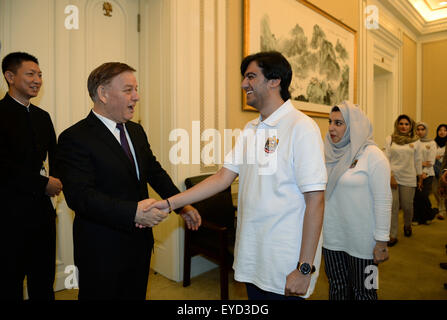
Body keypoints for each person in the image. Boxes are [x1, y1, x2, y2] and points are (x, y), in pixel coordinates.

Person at [146, 51, 327, 300]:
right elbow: (222, 177)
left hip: (285, 266)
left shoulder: (302, 127)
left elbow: (315, 200)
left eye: (251, 76)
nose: (243, 84)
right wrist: (170, 204)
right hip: (253, 259)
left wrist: (304, 268)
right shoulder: (251, 129)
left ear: (275, 81)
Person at [56, 62, 201, 300]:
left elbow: (154, 171)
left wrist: (180, 204)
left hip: (140, 244)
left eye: (136, 89)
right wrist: (133, 212)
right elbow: (80, 197)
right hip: (101, 248)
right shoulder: (74, 137)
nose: (137, 96)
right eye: (128, 90)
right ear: (103, 93)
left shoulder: (136, 131)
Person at [0, 52, 62, 300]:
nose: (37, 79)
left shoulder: (42, 116)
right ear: (10, 76)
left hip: (42, 212)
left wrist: (58, 180)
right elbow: (3, 167)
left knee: (43, 279)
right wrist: (43, 183)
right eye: (31, 74)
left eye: (40, 74)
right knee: (8, 280)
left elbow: (56, 156)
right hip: (7, 213)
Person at [323, 102, 391, 300]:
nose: (331, 128)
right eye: (330, 122)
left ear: (355, 125)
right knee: (337, 287)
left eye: (338, 123)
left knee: (366, 292)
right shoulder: (328, 153)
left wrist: (381, 242)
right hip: (333, 238)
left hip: (364, 243)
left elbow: (383, 201)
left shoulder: (374, 156)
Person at [385, 114, 422, 246]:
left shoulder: (416, 141)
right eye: (401, 124)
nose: (403, 126)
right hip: (393, 177)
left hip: (409, 177)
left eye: (406, 124)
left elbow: (418, 160)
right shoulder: (390, 139)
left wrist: (420, 177)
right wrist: (390, 176)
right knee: (393, 207)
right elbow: (386, 158)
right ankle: (392, 235)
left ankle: (407, 225)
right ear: (397, 125)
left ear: (410, 126)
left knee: (407, 206)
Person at [413, 122, 437, 225]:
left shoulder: (431, 143)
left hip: (427, 174)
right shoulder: (412, 142)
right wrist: (420, 165)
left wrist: (423, 172)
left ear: (426, 130)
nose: (420, 131)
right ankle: (417, 218)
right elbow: (410, 159)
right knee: (416, 197)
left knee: (423, 196)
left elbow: (431, 161)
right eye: (418, 129)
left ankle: (429, 214)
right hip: (414, 173)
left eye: (422, 129)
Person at [433, 124, 447, 220]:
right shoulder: (432, 143)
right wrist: (434, 157)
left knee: (444, 191)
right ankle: (440, 206)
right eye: (440, 130)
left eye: (445, 130)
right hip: (434, 168)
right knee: (435, 190)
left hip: (445, 169)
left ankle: (442, 210)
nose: (442, 132)